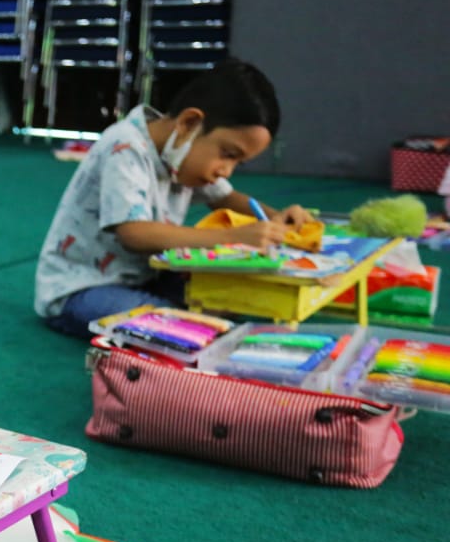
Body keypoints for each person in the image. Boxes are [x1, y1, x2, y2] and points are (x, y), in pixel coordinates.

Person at [35, 59, 314, 337]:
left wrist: (276, 217)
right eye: (228, 154)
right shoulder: (125, 147)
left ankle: (191, 316)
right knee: (177, 327)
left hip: (147, 278)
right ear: (189, 122)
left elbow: (226, 198)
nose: (225, 171)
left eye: (237, 164)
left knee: (229, 294)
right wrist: (234, 237)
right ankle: (189, 320)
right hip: (82, 289)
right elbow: (134, 234)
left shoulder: (182, 154)